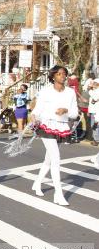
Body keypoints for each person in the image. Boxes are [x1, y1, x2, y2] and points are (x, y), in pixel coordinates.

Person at [31, 65, 79, 206]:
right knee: (56, 158)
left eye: (64, 74)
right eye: (59, 74)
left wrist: (65, 111)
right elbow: (38, 108)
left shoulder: (70, 92)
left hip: (61, 126)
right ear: (53, 76)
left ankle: (37, 182)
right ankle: (58, 194)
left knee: (49, 159)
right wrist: (34, 115)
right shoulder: (45, 91)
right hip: (47, 125)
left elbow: (74, 113)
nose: (62, 76)